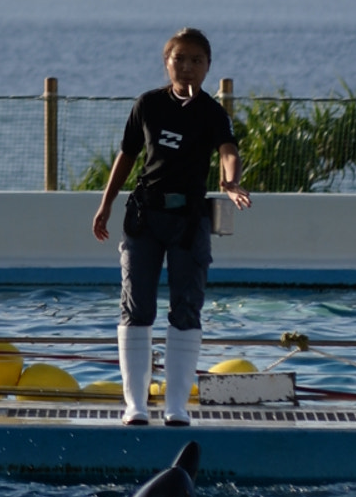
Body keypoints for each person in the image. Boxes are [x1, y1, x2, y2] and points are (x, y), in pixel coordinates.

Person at [92, 27, 250, 425]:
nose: (188, 67)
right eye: (180, 58)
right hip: (145, 217)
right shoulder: (147, 105)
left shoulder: (212, 112)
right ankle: (136, 405)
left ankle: (176, 406)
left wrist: (230, 180)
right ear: (167, 62)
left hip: (189, 221)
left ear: (208, 66)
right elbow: (126, 156)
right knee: (136, 307)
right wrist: (105, 204)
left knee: (186, 308)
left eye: (197, 60)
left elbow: (228, 150)